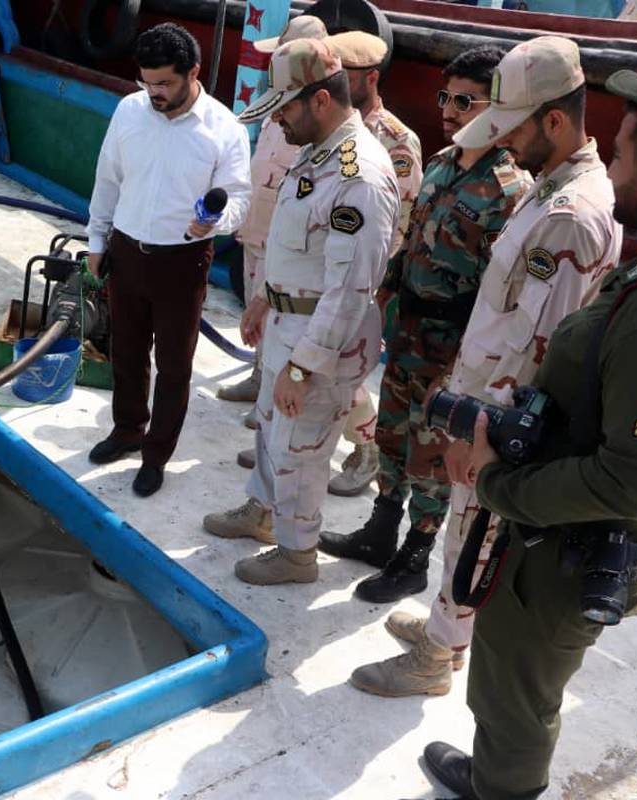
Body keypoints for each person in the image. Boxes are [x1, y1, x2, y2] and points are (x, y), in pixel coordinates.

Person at [349, 36, 621, 698]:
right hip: (480, 393)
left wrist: (480, 433)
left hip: (499, 419)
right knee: (468, 527)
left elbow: (538, 351)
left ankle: (435, 658)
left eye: (513, 126)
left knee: (473, 531)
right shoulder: (552, 188)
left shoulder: (568, 216)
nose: (504, 140)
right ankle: (450, 631)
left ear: (553, 119)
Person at [420, 67, 637, 800]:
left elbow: (633, 477)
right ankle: (496, 775)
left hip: (565, 541)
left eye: (623, 155)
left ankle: (504, 786)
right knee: (506, 682)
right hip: (552, 517)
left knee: (518, 693)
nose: (614, 169)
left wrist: (498, 480)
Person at [318, 48, 533, 614]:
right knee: (392, 435)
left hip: (452, 346)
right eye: (445, 97)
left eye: (465, 101)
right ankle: (380, 529)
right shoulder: (441, 163)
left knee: (433, 455)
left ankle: (415, 556)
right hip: (408, 331)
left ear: (498, 107)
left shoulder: (510, 188)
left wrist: (468, 368)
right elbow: (412, 239)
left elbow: (503, 294)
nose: (449, 110)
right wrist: (383, 295)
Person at [201, 38, 399, 583]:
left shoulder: (358, 176)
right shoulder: (318, 151)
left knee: (301, 450)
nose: (277, 120)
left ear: (320, 100)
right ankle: (263, 512)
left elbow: (351, 289)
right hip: (288, 324)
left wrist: (302, 365)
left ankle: (297, 553)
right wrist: (264, 297)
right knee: (271, 429)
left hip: (321, 340)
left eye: (284, 108)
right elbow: (296, 242)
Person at [84, 22, 252, 498]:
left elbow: (240, 198)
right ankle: (127, 430)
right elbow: (108, 178)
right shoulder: (129, 111)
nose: (153, 92)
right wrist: (96, 241)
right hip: (126, 251)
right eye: (146, 81)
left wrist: (212, 224)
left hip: (182, 260)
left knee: (175, 365)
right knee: (126, 351)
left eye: (164, 83)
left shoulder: (225, 129)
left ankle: (156, 455)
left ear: (193, 72)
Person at [216, 15, 330, 472]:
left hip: (284, 243)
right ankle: (257, 376)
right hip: (257, 228)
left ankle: (269, 390)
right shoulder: (277, 110)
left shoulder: (315, 127)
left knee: (277, 321)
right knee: (254, 310)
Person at [323, 30, 425, 497]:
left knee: (345, 371)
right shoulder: (329, 125)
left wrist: (377, 288)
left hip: (366, 277)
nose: (335, 84)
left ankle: (366, 447)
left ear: (371, 78)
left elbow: (401, 225)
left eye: (345, 75)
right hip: (326, 267)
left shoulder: (397, 141)